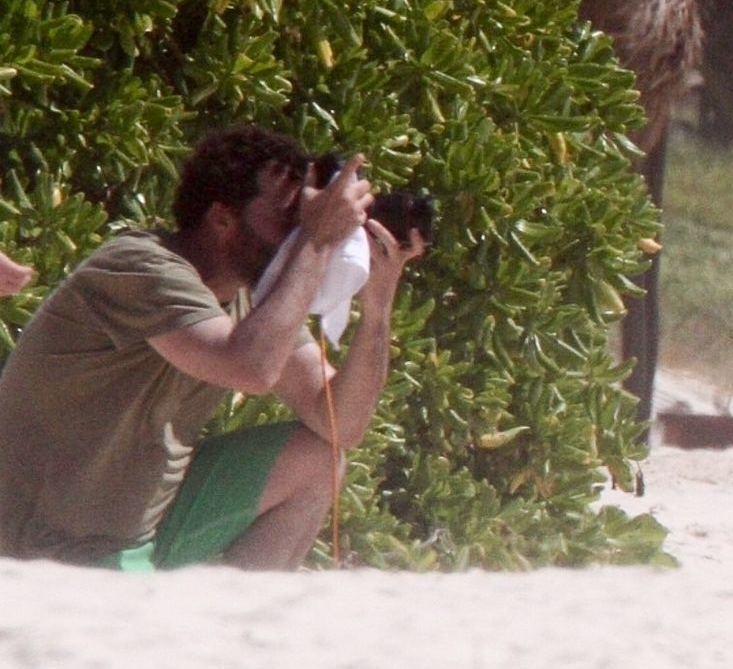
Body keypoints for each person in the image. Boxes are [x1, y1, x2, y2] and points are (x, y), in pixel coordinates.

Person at [0, 125, 425, 570]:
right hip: (47, 545)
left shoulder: (252, 300)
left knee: (318, 458)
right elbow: (250, 368)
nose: (296, 229)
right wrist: (316, 239)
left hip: (138, 530)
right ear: (222, 217)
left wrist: (377, 307)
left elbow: (342, 423)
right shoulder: (140, 267)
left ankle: (245, 610)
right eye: (287, 215)